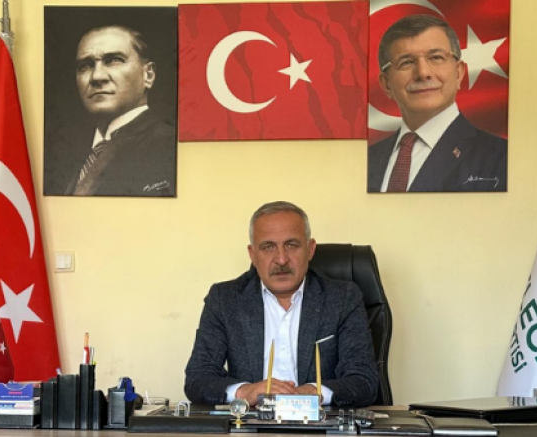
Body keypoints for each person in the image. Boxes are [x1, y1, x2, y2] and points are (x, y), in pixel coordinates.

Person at [184, 201, 379, 407]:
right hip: (251, 420)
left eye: (291, 245)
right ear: (252, 254)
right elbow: (198, 379)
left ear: (310, 249)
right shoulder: (224, 300)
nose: (281, 259)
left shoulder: (343, 298)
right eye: (268, 247)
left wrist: (315, 392)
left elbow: (364, 380)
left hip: (319, 421)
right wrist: (245, 391)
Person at [368, 15, 507, 193]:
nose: (423, 73)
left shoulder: (501, 157)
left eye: (436, 58)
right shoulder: (366, 159)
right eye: (407, 62)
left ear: (458, 73)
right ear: (386, 84)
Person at [63, 25, 176, 196]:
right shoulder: (64, 157)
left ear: (148, 75)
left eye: (114, 60)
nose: (97, 76)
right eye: (85, 66)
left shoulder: (170, 147)